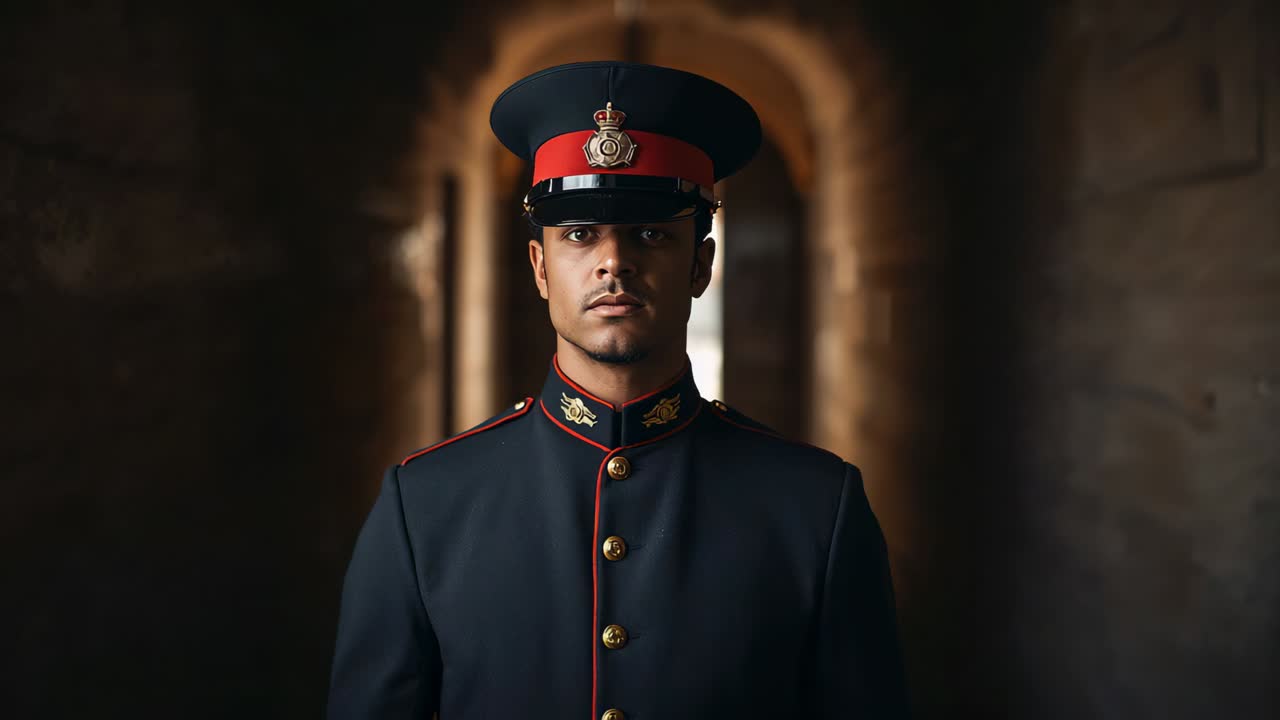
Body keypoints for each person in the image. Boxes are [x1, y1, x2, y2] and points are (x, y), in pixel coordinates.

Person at [327, 60, 909, 720]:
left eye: (651, 233)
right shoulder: (425, 505)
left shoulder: (815, 509)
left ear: (700, 264)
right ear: (540, 267)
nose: (614, 261)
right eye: (579, 234)